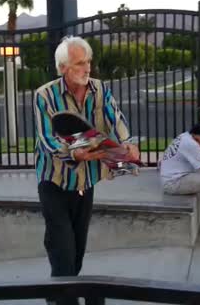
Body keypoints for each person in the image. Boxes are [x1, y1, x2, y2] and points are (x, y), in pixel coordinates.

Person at [34, 36, 139, 304]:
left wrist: (128, 144)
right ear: (63, 68)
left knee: (77, 251)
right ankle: (63, 297)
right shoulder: (44, 95)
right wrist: (73, 152)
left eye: (88, 62)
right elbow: (47, 139)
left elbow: (116, 118)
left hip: (85, 182)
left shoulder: (100, 90)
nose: (87, 68)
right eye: (80, 63)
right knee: (64, 250)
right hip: (54, 182)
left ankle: (56, 294)